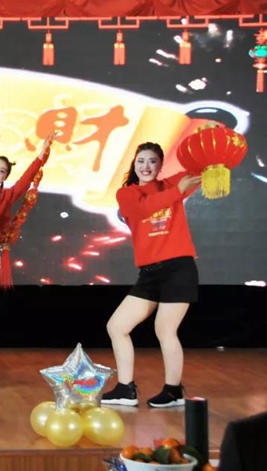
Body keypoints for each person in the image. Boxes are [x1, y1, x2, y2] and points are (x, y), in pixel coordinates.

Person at [100, 142, 202, 408]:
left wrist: (208, 144)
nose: (146, 166)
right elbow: (141, 210)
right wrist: (177, 192)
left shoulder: (171, 184)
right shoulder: (126, 194)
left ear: (160, 166)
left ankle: (173, 391)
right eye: (141, 161)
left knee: (165, 329)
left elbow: (200, 169)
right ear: (134, 164)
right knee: (117, 327)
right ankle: (126, 389)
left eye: (153, 161)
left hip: (178, 268)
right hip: (149, 274)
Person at [0, 133, 54, 373]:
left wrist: (41, 155)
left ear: (5, 177)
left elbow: (26, 180)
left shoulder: (7, 196)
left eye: (2, 171)